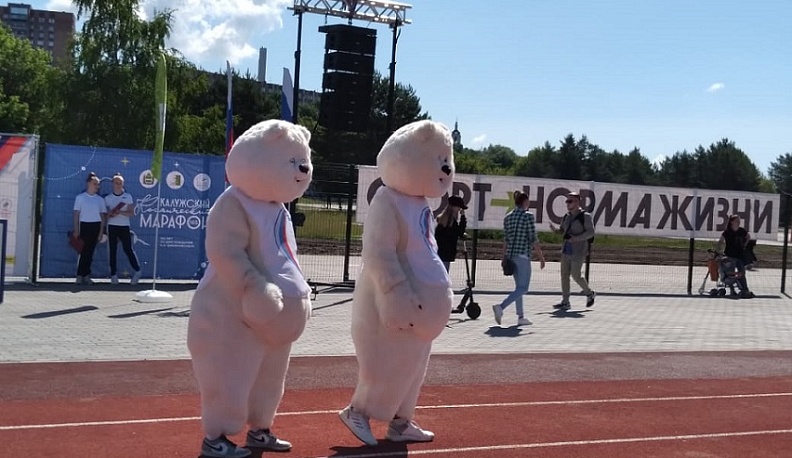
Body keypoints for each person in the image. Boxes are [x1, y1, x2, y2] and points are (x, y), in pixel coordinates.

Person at [492, 190, 546, 326]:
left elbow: (505, 239)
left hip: (510, 255)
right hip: (523, 255)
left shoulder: (508, 217)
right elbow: (533, 238)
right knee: (523, 288)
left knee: (518, 287)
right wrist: (541, 256)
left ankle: (521, 316)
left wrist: (503, 256)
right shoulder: (528, 216)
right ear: (525, 202)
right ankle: (501, 307)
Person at [548, 192, 596, 310]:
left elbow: (591, 232)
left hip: (579, 250)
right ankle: (565, 301)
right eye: (567, 201)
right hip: (566, 249)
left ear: (577, 202)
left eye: (570, 201)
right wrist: (555, 230)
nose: (567, 204)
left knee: (576, 275)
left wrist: (577, 239)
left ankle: (589, 293)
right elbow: (563, 230)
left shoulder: (585, 216)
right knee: (564, 275)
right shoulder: (567, 216)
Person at [104, 173, 142, 285]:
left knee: (128, 249)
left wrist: (119, 211)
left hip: (124, 227)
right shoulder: (107, 198)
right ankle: (113, 275)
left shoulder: (128, 197)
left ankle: (137, 271)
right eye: (116, 183)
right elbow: (104, 215)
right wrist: (110, 213)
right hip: (112, 227)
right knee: (112, 251)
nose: (118, 185)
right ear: (112, 184)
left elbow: (131, 213)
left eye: (120, 183)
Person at [72, 172, 106, 285]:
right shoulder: (80, 198)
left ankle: (86, 275)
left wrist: (101, 231)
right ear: (88, 184)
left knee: (90, 253)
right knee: (83, 252)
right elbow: (76, 214)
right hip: (84, 226)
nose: (97, 186)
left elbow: (102, 217)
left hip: (95, 226)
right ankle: (79, 275)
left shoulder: (100, 200)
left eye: (98, 184)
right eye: (95, 183)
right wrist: (76, 229)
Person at [715, 215, 754, 298]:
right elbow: (720, 241)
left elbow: (748, 237)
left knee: (742, 273)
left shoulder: (741, 231)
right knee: (730, 273)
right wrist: (718, 251)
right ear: (732, 222)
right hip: (729, 255)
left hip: (739, 255)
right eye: (737, 220)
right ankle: (732, 290)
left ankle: (744, 290)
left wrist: (744, 245)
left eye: (739, 220)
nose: (739, 222)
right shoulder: (727, 232)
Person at [434, 195, 468, 272]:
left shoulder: (443, 220)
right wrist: (463, 218)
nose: (459, 209)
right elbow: (460, 231)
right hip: (445, 253)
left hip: (440, 252)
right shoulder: (451, 222)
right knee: (444, 274)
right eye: (458, 207)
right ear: (454, 207)